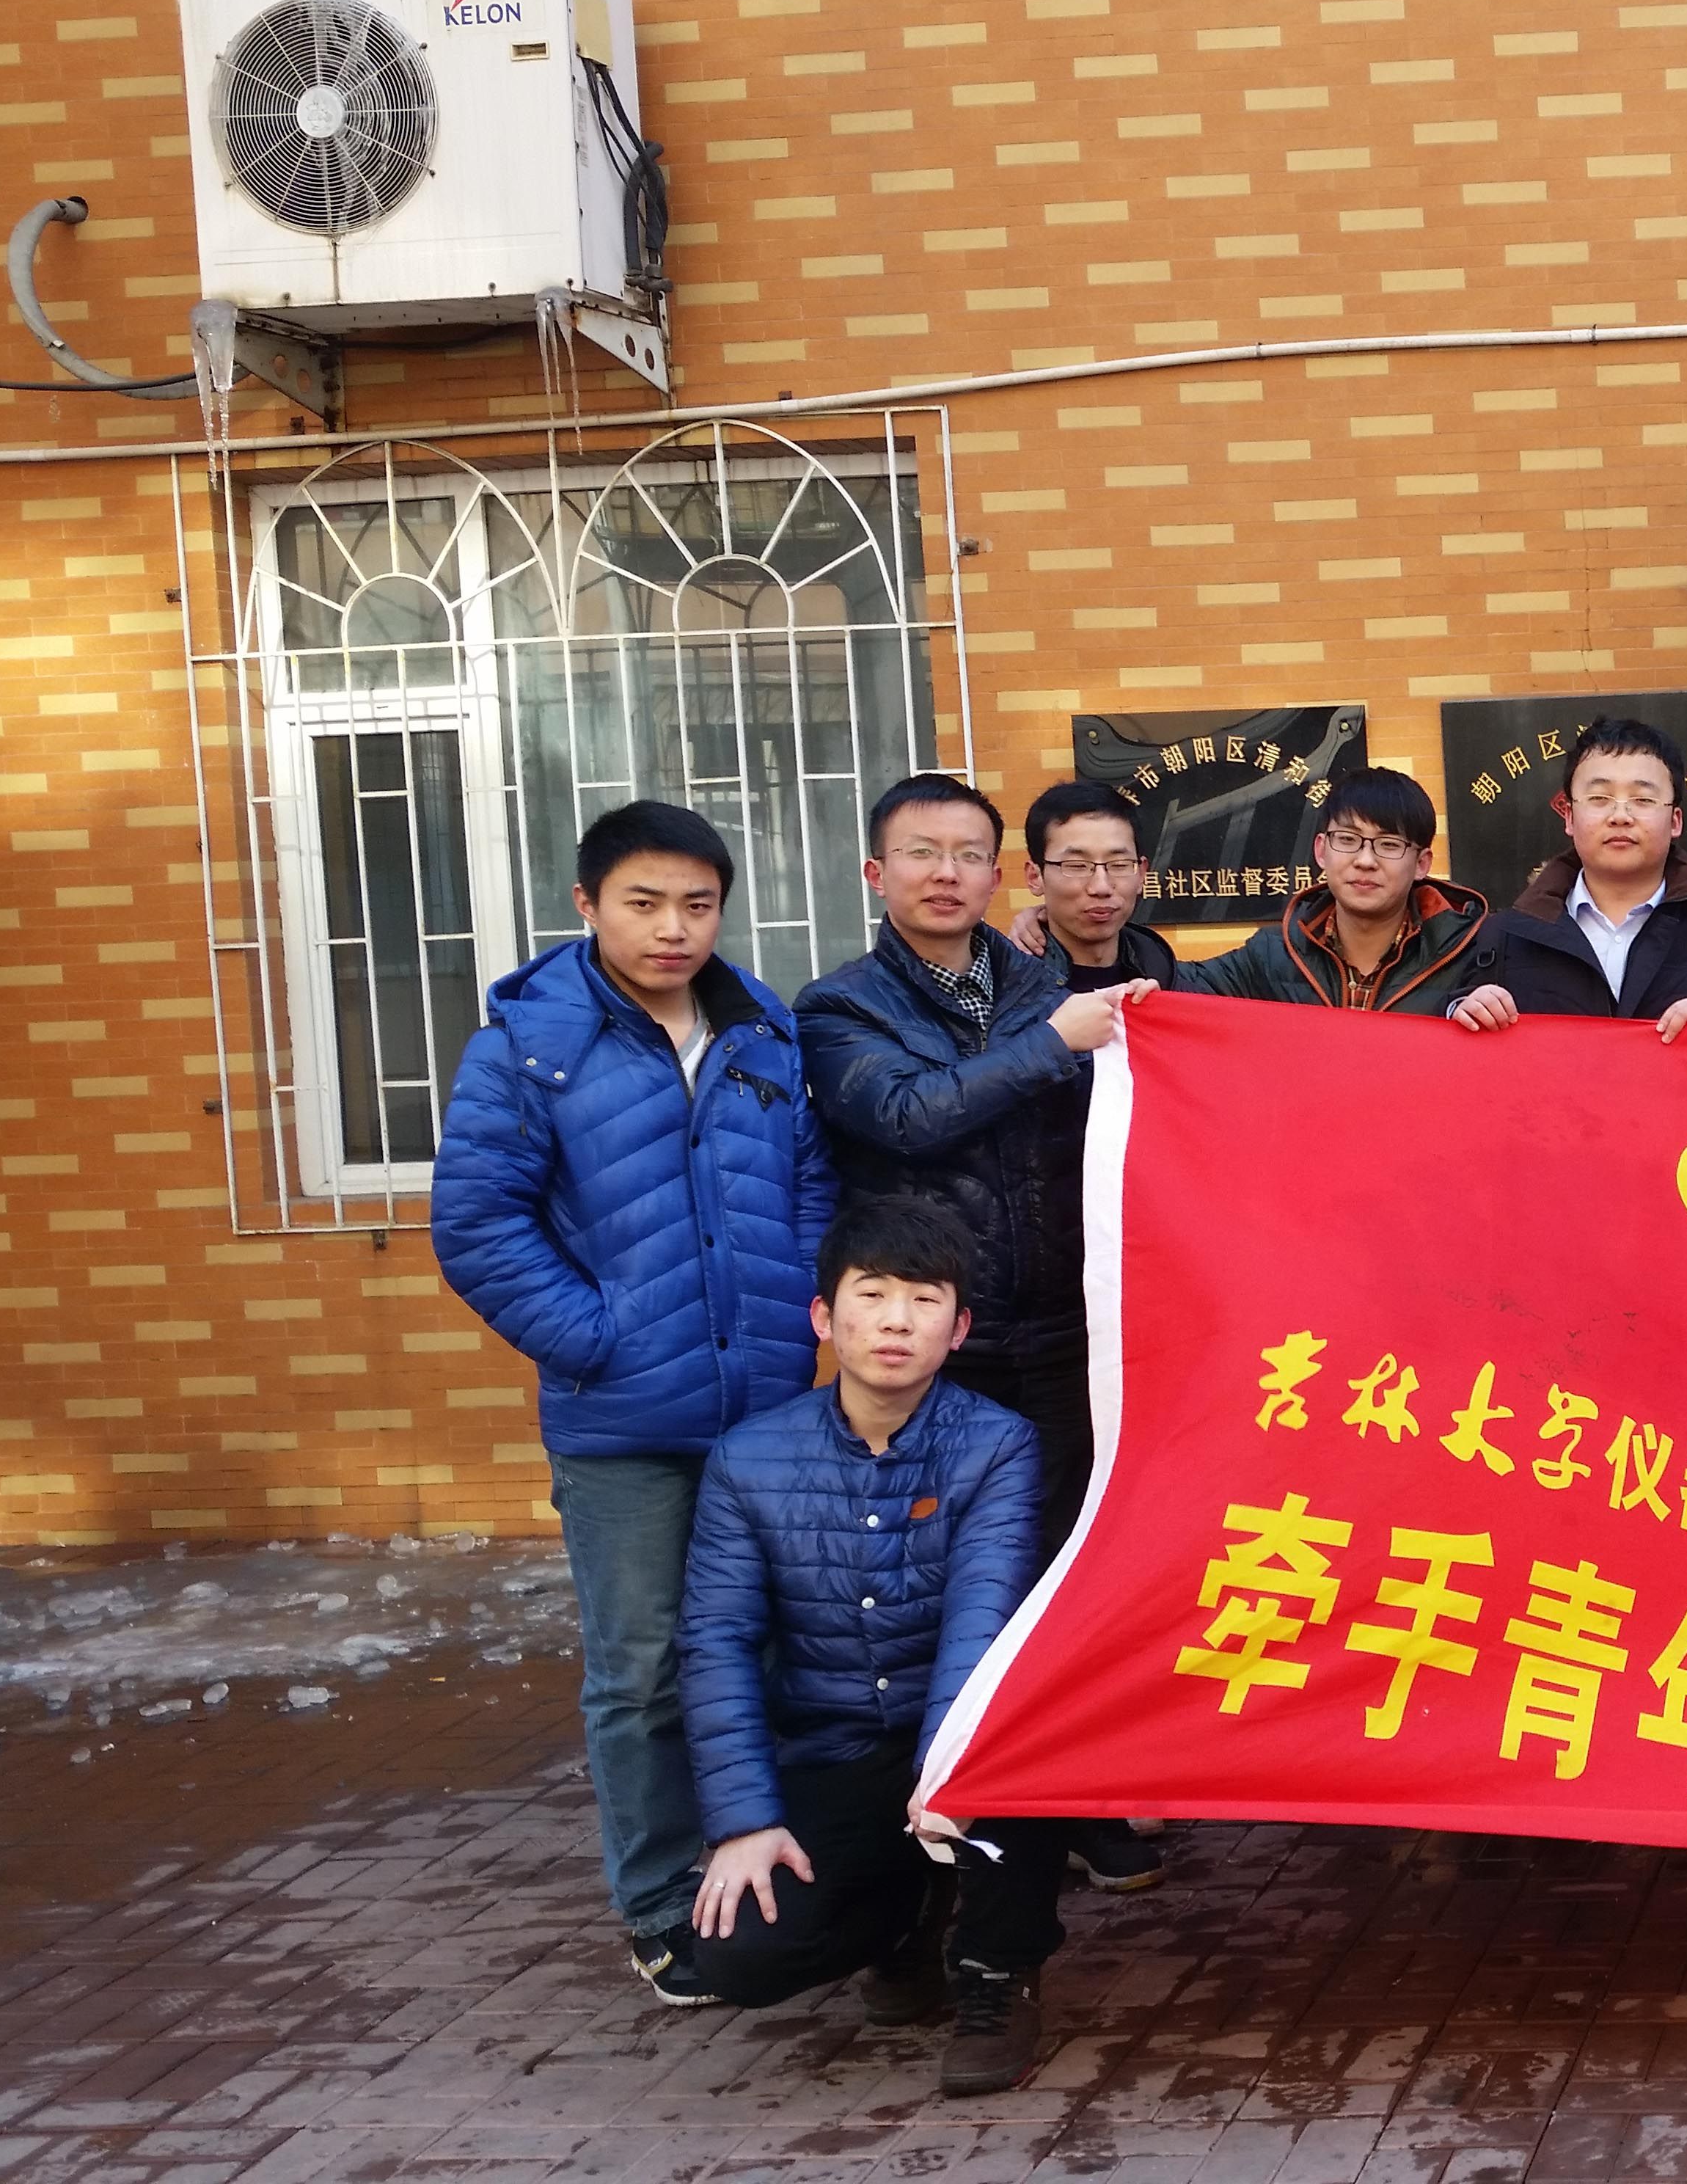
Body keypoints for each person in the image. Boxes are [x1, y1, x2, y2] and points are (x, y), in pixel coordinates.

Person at [431, 800, 832, 2007]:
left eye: (697, 905)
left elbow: (811, 1187)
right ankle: (661, 1902)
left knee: (772, 1649)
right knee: (645, 1668)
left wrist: (797, 1311)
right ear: (588, 905)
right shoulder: (527, 1048)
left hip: (762, 1412)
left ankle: (774, 1869)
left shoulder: (762, 1033)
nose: (673, 929)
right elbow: (478, 1225)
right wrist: (597, 1341)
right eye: (644, 903)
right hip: (622, 1426)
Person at [794, 771, 1163, 1894]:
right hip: (935, 1350)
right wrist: (1055, 1042)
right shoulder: (841, 1008)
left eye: (967, 855)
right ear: (877, 873)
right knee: (939, 1585)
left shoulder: (1044, 984)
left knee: (1067, 1574)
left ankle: (1070, 1803)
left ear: (998, 876)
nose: (945, 874)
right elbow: (906, 1116)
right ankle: (938, 1811)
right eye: (921, 853)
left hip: (1065, 1335)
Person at [678, 1198, 1070, 2096]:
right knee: (739, 1956)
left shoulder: (997, 1445)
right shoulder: (748, 1460)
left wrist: (945, 1772)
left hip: (964, 1736)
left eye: (925, 1301)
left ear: (958, 1329)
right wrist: (742, 1822)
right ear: (825, 1316)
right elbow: (716, 1643)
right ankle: (905, 1919)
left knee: (1025, 1762)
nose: (897, 1321)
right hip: (835, 1746)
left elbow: (981, 1613)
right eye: (873, 1294)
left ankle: (997, 1971)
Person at [1449, 717, 1687, 1039]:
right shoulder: (1505, 937)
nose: (1620, 816)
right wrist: (1461, 1014)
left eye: (1643, 799)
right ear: (1569, 817)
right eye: (1599, 798)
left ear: (1675, 821)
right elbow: (1459, 1053)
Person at [1165, 767, 1492, 1013]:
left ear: (1422, 863)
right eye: (1348, 840)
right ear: (1321, 851)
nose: (1365, 861)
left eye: (1389, 844)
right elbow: (1177, 987)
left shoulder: (1473, 957)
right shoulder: (1273, 955)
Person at [1022, 780, 1179, 992]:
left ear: (1142, 874)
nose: (1101, 887)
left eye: (1119, 865)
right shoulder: (1005, 989)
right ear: (1035, 877)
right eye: (1077, 866)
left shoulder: (1164, 972)